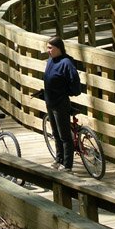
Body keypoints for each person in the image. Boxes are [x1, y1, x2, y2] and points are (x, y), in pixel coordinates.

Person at [43, 36, 81, 173]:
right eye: (47, 47)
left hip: (60, 103)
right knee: (55, 133)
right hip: (50, 102)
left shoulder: (66, 63)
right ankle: (59, 159)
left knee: (65, 135)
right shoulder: (50, 60)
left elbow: (75, 82)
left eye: (50, 48)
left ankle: (68, 165)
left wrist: (69, 92)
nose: (48, 51)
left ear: (59, 48)